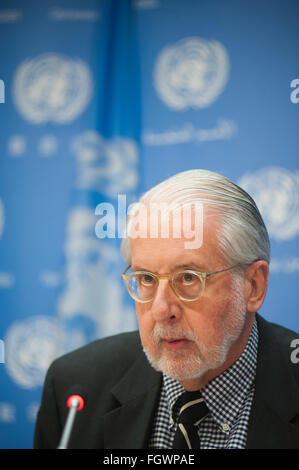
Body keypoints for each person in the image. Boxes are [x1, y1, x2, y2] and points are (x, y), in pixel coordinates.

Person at [34, 169, 299, 449]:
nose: (161, 310)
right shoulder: (75, 386)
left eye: (188, 278)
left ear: (253, 286)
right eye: (146, 279)